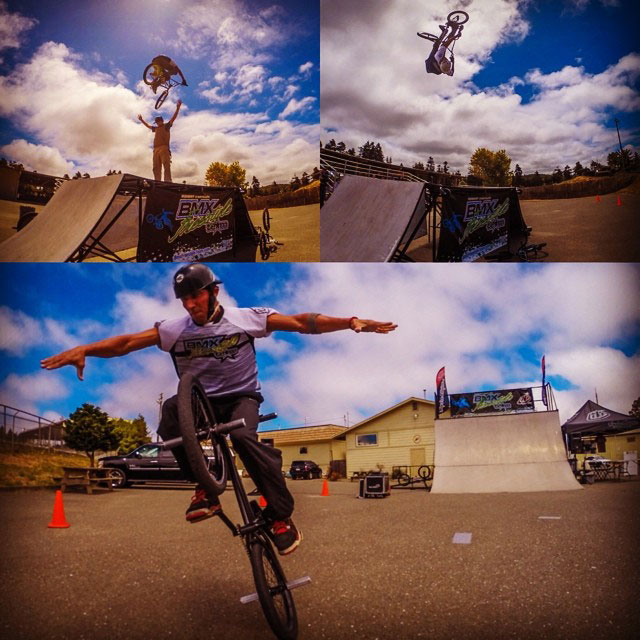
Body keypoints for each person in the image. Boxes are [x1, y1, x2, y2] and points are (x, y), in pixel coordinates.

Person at [40, 264, 398, 556]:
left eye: (195, 296)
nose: (190, 305)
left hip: (242, 396)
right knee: (170, 414)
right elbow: (127, 343)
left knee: (242, 436)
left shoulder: (246, 318)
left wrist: (350, 321)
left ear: (213, 292)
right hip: (201, 402)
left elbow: (303, 322)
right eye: (184, 299)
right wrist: (86, 349)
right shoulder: (174, 330)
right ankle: (206, 489)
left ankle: (280, 516)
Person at [138, 99, 182, 182]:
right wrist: (141, 120)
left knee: (166, 165)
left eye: (159, 121)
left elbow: (173, 118)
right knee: (156, 167)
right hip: (155, 150)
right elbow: (148, 126)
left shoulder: (167, 126)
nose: (158, 123)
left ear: (162, 121)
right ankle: (157, 181)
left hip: (164, 148)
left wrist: (178, 108)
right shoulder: (156, 128)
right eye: (157, 122)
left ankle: (167, 181)